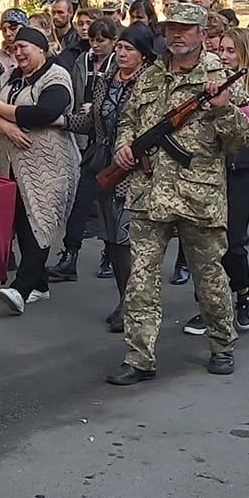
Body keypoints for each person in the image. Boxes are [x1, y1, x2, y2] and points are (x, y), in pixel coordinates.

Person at [107, 4, 249, 383]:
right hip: (148, 192)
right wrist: (123, 147)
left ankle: (222, 343)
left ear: (202, 33)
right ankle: (139, 357)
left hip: (197, 196)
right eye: (172, 28)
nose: (177, 35)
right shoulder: (151, 75)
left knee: (209, 277)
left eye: (186, 29)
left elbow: (245, 139)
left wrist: (223, 110)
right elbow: (128, 118)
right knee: (140, 279)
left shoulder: (220, 77)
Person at [182, 26, 249, 338]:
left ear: (246, 54)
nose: (223, 56)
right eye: (220, 49)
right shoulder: (207, 84)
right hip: (208, 171)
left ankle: (243, 292)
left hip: (242, 173)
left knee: (233, 242)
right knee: (204, 245)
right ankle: (208, 306)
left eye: (231, 51)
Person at [0, 26, 76, 313]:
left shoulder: (56, 76)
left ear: (41, 49)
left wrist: (2, 109)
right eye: (14, 49)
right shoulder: (10, 76)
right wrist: (4, 124)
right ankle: (40, 285)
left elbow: (45, 113)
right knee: (24, 222)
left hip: (49, 165)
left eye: (24, 46)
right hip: (13, 164)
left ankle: (21, 289)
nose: (18, 53)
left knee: (41, 221)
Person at [72, 23, 152, 328]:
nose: (121, 53)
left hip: (135, 168)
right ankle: (125, 297)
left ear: (143, 55)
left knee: (125, 237)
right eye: (119, 47)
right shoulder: (107, 80)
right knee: (112, 238)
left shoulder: (149, 84)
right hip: (105, 167)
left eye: (128, 49)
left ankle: (134, 304)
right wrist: (59, 120)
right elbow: (92, 121)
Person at [56, 17, 122, 281]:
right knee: (80, 199)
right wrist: (66, 118)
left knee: (110, 204)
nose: (95, 45)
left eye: (101, 40)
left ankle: (110, 254)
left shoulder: (117, 66)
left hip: (115, 144)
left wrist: (96, 110)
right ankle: (70, 254)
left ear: (113, 41)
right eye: (92, 39)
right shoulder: (82, 61)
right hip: (91, 139)